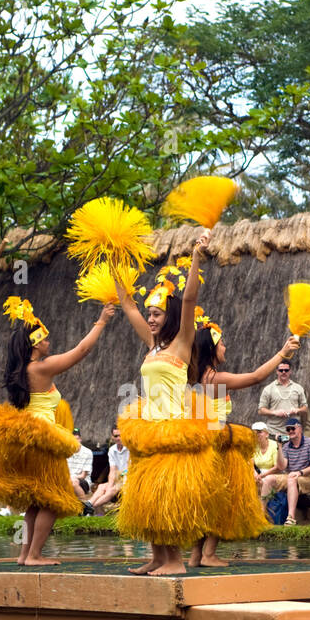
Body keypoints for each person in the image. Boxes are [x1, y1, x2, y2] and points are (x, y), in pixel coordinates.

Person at [0, 296, 116, 566]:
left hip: (29, 443)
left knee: (36, 501)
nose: (49, 342)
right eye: (44, 339)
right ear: (34, 344)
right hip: (44, 443)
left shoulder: (22, 371)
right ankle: (34, 554)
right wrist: (101, 321)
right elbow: (81, 351)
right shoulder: (42, 368)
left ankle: (25, 555)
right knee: (53, 501)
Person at [113, 235, 214, 574]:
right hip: (147, 428)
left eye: (156, 314)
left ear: (167, 316)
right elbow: (127, 304)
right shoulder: (152, 345)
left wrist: (197, 255)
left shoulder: (181, 345)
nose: (151, 319)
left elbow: (188, 299)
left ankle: (175, 562)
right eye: (150, 314)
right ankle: (157, 558)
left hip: (171, 428)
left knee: (165, 496)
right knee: (146, 496)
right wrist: (112, 254)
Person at [187, 309, 300, 565]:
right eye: (222, 343)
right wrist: (282, 353)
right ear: (212, 348)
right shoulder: (214, 379)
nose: (225, 347)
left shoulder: (192, 377)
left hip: (199, 447)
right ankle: (208, 554)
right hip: (218, 447)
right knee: (224, 498)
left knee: (205, 500)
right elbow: (256, 377)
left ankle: (195, 555)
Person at [256, 359, 308, 439]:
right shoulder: (268, 388)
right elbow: (260, 410)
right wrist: (274, 412)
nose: (284, 372)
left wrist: (297, 410)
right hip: (274, 433)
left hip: (293, 433)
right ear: (277, 371)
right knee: (276, 451)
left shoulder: (298, 388)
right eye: (281, 370)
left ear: (290, 371)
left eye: (286, 370)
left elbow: (305, 408)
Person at [87, 427, 128, 516]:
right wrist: (109, 485)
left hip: (129, 480)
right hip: (119, 479)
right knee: (102, 486)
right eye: (116, 436)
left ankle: (90, 507)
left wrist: (114, 484)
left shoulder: (130, 448)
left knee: (113, 489)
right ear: (112, 437)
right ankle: (91, 507)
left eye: (121, 435)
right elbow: (112, 470)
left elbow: (130, 470)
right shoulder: (112, 450)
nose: (119, 438)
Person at [67, 429, 95, 502]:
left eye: (77, 439)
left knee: (73, 481)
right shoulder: (66, 451)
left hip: (83, 481)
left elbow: (83, 475)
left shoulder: (87, 452)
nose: (75, 442)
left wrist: (69, 478)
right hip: (67, 479)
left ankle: (85, 506)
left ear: (80, 439)